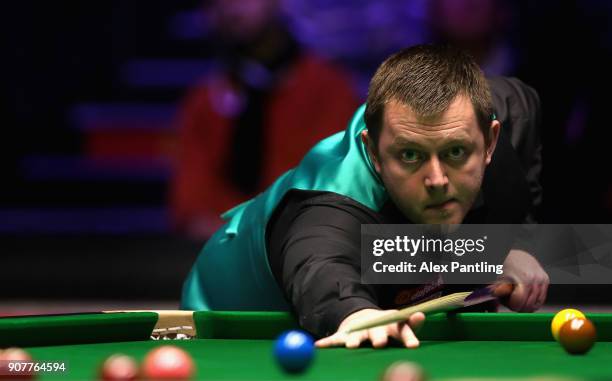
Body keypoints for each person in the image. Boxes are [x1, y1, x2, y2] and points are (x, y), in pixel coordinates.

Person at [181, 44, 549, 349]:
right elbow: (320, 266)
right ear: (373, 152)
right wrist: (355, 314)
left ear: (490, 140)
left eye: (455, 153)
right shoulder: (331, 205)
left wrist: (514, 246)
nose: (437, 180)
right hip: (235, 322)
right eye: (409, 155)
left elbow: (524, 107)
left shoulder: (508, 111)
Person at [171, 0, 359, 238]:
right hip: (227, 254)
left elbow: (332, 196)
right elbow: (190, 207)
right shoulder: (203, 100)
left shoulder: (328, 89)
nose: (231, 7)